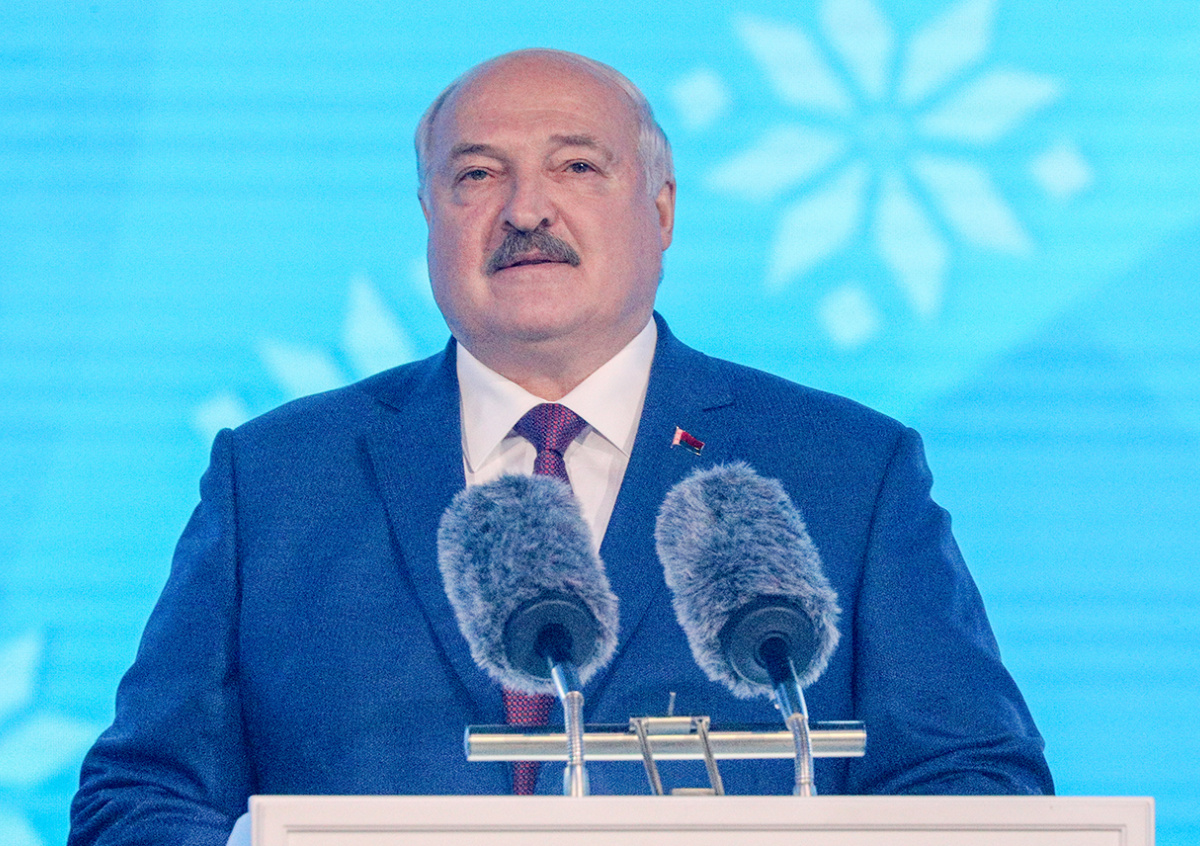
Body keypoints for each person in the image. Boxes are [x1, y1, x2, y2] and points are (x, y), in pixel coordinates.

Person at [68, 48, 1053, 846]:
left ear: (661, 209)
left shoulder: (845, 470)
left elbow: (976, 785)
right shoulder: (278, 477)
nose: (526, 210)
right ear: (429, 216)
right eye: (476, 175)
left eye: (577, 166)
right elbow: (138, 801)